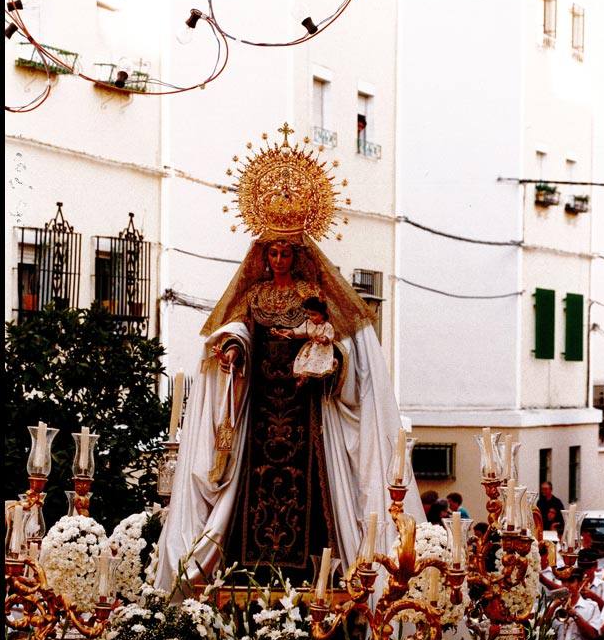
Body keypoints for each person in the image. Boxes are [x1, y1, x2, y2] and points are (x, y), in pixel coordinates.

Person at [155, 128, 420, 592]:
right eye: (271, 251)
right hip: (258, 414)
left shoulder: (313, 296)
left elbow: (340, 341)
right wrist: (234, 346)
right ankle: (242, 574)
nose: (278, 258)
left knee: (311, 494)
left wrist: (328, 360)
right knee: (251, 492)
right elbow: (237, 327)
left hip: (306, 414)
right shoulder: (254, 294)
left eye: (285, 252)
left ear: (297, 255)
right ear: (263, 254)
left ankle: (316, 578)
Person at [276, 295, 338, 388]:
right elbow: (300, 332)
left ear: (322, 314)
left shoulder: (327, 326)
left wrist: (322, 339)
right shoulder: (308, 323)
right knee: (304, 361)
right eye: (309, 314)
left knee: (314, 361)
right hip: (310, 348)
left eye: (314, 314)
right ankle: (303, 377)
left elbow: (328, 338)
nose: (311, 317)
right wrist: (290, 332)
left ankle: (311, 377)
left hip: (322, 349)